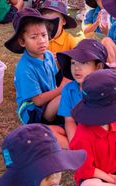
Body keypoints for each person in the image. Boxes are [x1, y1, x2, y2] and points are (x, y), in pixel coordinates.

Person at [4, 8, 68, 147]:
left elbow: (53, 75)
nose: (41, 41)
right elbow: (38, 100)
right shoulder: (24, 68)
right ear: (22, 41)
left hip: (49, 100)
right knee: (66, 95)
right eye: (34, 37)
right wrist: (61, 89)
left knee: (72, 83)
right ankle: (68, 130)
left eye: (44, 35)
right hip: (33, 110)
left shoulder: (49, 55)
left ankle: (71, 124)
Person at [56, 39, 109, 147]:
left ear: (98, 67)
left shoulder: (106, 90)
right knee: (50, 132)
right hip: (77, 131)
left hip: (98, 133)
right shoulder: (68, 89)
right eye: (73, 63)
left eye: (83, 62)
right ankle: (79, 152)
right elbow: (69, 121)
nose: (76, 68)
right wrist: (76, 143)